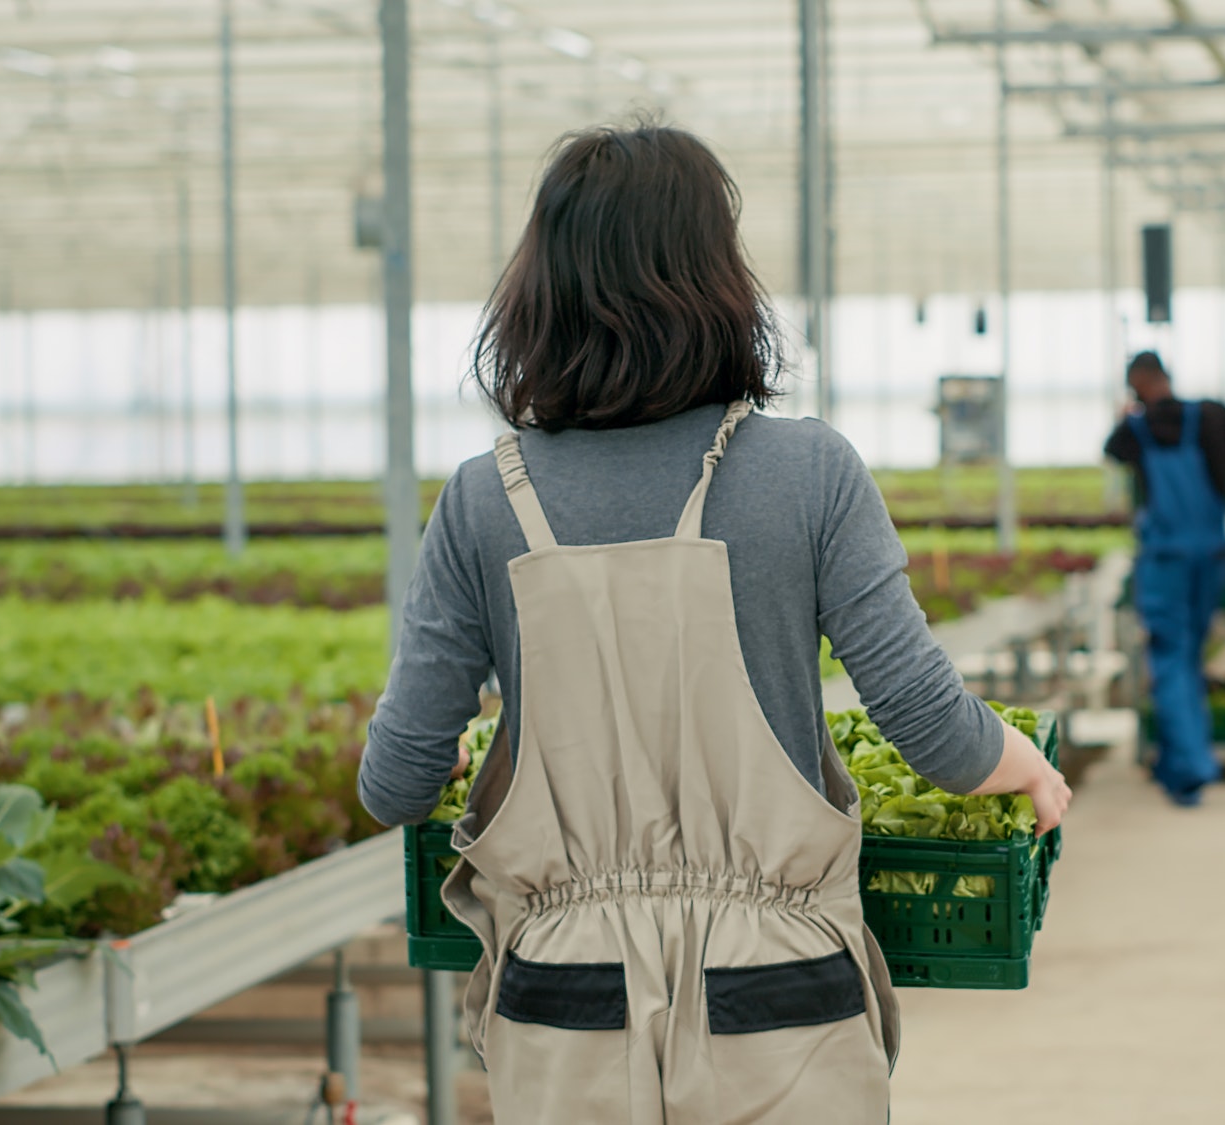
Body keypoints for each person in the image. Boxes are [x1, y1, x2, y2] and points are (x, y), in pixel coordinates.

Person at [357, 123, 1069, 1124]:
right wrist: (1028, 770)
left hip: (564, 1008)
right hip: (778, 1005)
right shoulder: (808, 473)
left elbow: (393, 787)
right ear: (716, 279)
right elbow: (934, 731)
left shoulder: (482, 502)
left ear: (538, 290)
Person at [1105, 352, 1225, 808]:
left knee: (1170, 659)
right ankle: (1178, 761)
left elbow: (1110, 451)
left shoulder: (1133, 431)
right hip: (1210, 556)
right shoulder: (1212, 414)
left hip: (1165, 562)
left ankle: (1190, 767)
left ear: (1135, 386)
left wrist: (1128, 415)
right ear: (1167, 377)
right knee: (1188, 656)